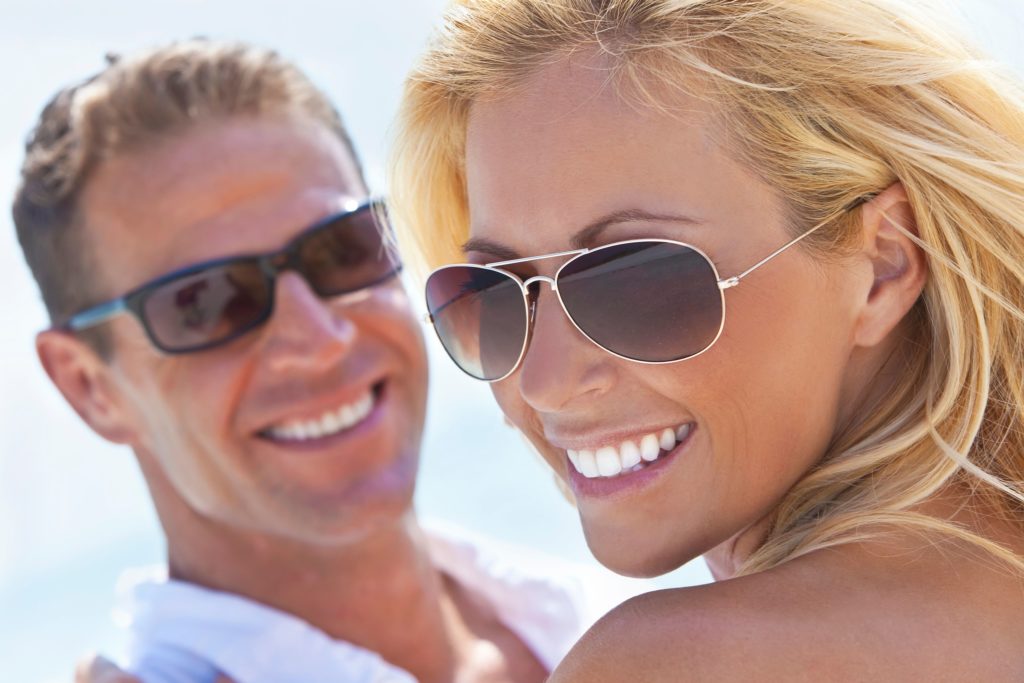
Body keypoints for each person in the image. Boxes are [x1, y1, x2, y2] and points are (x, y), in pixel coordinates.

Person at [390, 0, 1024, 679]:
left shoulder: (674, 662)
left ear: (885, 264)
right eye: (494, 294)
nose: (544, 380)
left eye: (634, 280)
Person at [13, 39, 635, 683]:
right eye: (207, 301)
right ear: (89, 385)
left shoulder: (613, 617)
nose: (319, 338)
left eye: (342, 249)